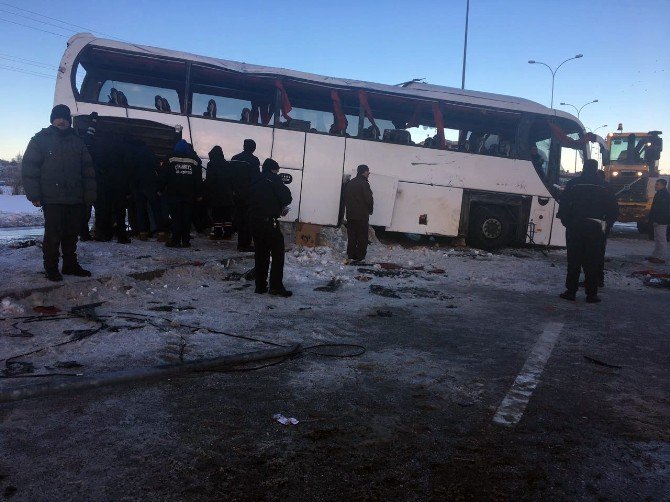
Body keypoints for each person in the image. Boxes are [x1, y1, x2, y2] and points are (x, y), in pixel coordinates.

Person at [22, 104, 97, 281]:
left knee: (71, 235)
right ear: (52, 119)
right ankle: (51, 268)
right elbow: (29, 168)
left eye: (65, 118)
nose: (62, 121)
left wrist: (89, 196)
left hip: (75, 197)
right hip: (52, 197)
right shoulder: (40, 140)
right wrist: (34, 195)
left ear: (69, 121)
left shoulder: (77, 141)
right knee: (53, 236)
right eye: (58, 117)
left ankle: (70, 265)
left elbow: (88, 170)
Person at [557, 159, 619, 303]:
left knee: (574, 260)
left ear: (584, 168)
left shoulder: (573, 184)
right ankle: (591, 294)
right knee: (592, 261)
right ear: (596, 169)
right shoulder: (605, 186)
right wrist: (606, 225)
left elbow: (564, 204)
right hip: (596, 227)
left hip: (576, 226)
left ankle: (570, 291)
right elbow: (613, 209)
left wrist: (567, 222)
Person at [248, 158, 293, 296]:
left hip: (254, 221)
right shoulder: (274, 179)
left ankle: (260, 286)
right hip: (269, 222)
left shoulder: (254, 179)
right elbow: (287, 197)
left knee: (261, 253)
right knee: (278, 253)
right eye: (277, 170)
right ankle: (276, 286)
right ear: (274, 169)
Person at [159, 140, 204, 248]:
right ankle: (185, 241)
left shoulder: (170, 158)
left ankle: (175, 240)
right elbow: (198, 179)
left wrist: (160, 189)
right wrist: (199, 194)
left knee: (176, 217)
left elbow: (164, 175)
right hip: (189, 194)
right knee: (187, 217)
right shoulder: (194, 160)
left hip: (174, 193)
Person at [230, 139, 261, 251]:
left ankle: (239, 241)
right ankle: (244, 244)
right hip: (247, 195)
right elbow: (256, 179)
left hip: (235, 194)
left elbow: (230, 177)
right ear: (253, 148)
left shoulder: (234, 158)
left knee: (238, 217)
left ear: (244, 146)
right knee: (247, 220)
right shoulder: (253, 160)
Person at [344, 164, 374, 262]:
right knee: (362, 237)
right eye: (367, 171)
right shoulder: (364, 183)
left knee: (352, 236)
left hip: (350, 215)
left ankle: (351, 255)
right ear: (363, 172)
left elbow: (345, 198)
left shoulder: (351, 183)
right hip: (361, 216)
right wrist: (370, 210)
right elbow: (369, 199)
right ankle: (360, 256)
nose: (369, 173)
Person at [205, 146, 234, 240]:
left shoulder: (211, 164)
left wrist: (207, 190)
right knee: (227, 215)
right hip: (227, 193)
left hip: (216, 193)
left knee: (217, 214)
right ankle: (228, 233)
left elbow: (210, 180)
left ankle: (218, 233)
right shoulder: (227, 164)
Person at [646, 178, 669, 264]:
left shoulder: (664, 195)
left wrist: (657, 220)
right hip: (658, 220)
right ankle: (655, 255)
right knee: (657, 238)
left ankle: (661, 257)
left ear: (663, 185)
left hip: (661, 221)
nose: (655, 186)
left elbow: (662, 210)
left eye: (657, 184)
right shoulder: (660, 194)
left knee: (661, 239)